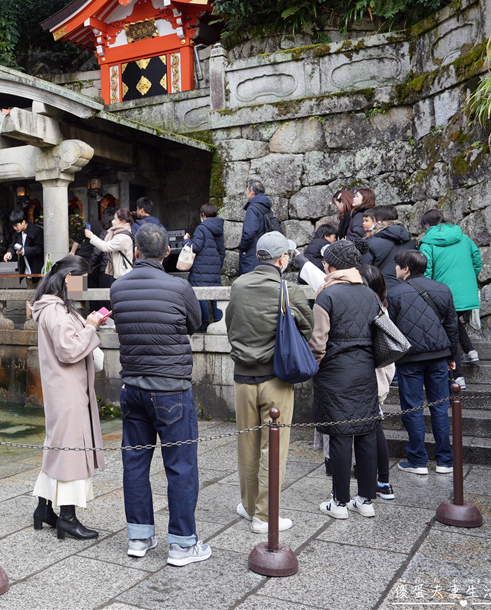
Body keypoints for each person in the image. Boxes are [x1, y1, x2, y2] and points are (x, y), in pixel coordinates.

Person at [111, 224, 210, 567]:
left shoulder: (118, 287)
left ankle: (139, 537)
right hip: (170, 389)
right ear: (167, 252)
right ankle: (182, 544)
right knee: (180, 467)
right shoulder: (178, 286)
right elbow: (194, 324)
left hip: (133, 387)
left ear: (136, 251)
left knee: (135, 464)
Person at [226, 232, 313, 534]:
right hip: (276, 377)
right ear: (282, 258)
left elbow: (230, 323)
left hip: (242, 378)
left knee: (247, 445)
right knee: (273, 447)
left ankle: (249, 506)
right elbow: (307, 327)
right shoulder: (287, 290)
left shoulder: (238, 285)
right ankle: (264, 515)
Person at [30, 255, 108, 540]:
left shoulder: (53, 307)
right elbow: (68, 350)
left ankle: (44, 509)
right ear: (68, 279)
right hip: (67, 390)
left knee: (58, 448)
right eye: (81, 281)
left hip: (63, 388)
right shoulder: (56, 311)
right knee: (71, 452)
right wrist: (90, 327)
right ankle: (67, 517)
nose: (83, 287)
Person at [308, 240, 383, 520]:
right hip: (365, 372)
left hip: (334, 373)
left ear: (331, 265)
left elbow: (318, 343)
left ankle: (339, 503)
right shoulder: (370, 295)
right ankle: (365, 500)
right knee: (365, 434)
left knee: (339, 436)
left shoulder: (326, 295)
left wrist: (310, 369)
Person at [387, 249, 458, 476]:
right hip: (438, 356)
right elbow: (452, 326)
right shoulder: (443, 289)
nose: (395, 269)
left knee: (413, 408)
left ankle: (417, 460)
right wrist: (451, 356)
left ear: (406, 269)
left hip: (410, 359)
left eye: (397, 265)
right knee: (440, 408)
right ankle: (445, 460)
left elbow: (392, 330)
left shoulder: (395, 293)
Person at [419, 209, 483, 370]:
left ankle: (458, 375)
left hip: (443, 294)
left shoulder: (427, 243)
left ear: (426, 225)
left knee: (449, 327)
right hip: (468, 293)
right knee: (452, 320)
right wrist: (469, 280)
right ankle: (470, 351)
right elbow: (477, 261)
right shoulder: (463, 237)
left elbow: (425, 271)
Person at [357, 264, 396, 501]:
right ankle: (383, 482)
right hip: (382, 372)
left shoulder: (369, 308)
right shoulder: (382, 306)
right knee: (375, 427)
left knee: (371, 430)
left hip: (371, 373)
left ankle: (377, 482)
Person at [187, 204, 226, 330]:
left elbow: (196, 247)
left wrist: (186, 241)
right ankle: (218, 320)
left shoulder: (201, 228)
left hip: (200, 268)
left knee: (201, 293)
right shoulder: (219, 229)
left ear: (202, 215)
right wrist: (217, 266)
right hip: (214, 268)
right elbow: (222, 251)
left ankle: (204, 322)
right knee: (215, 294)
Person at [361, 206, 416, 284]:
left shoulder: (370, 243)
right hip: (405, 288)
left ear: (377, 222)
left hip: (380, 290)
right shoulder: (411, 243)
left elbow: (364, 271)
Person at [84, 208, 135, 287]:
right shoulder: (117, 232)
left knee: (78, 293)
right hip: (109, 268)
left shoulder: (121, 236)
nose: (113, 221)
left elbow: (105, 247)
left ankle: (74, 298)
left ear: (122, 222)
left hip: (113, 270)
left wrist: (92, 237)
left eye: (115, 219)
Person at [238, 180, 275, 275]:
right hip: (265, 250)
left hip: (252, 252)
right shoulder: (266, 206)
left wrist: (243, 247)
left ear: (252, 192)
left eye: (247, 191)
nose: (246, 194)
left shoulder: (252, 208)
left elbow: (249, 232)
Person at [3, 210, 44, 284]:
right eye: (13, 226)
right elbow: (13, 245)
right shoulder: (18, 233)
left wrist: (24, 250)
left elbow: (39, 249)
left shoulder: (37, 231)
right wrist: (9, 253)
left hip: (38, 271)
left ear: (24, 222)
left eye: (16, 225)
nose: (15, 228)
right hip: (27, 271)